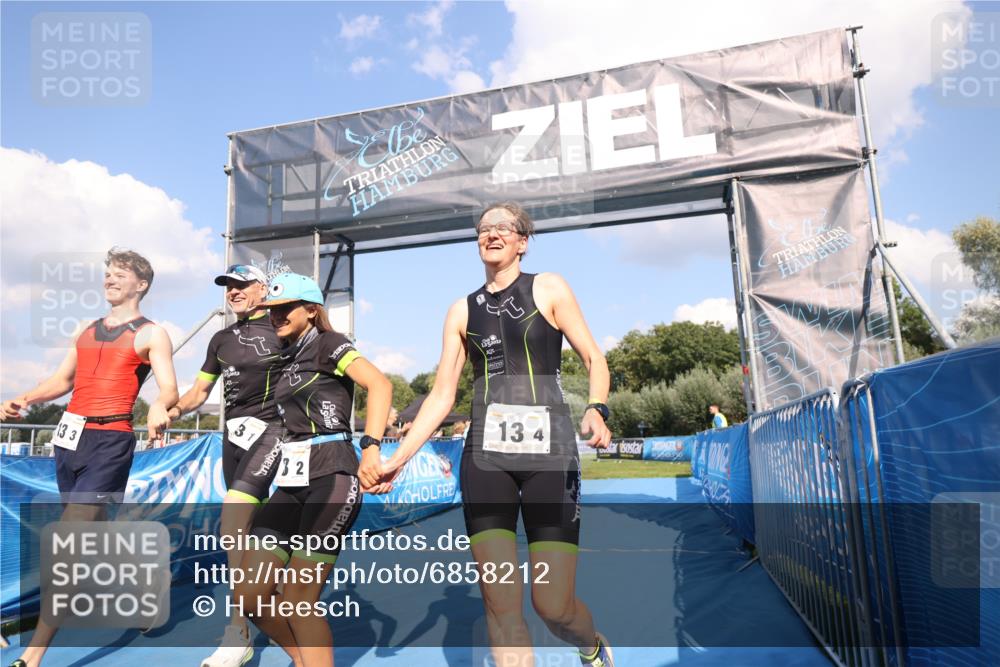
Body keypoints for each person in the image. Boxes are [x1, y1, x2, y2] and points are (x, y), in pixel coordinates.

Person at [374, 202, 616, 666]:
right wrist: (397, 458)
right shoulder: (461, 311)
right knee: (501, 606)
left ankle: (591, 645)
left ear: (523, 241)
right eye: (484, 228)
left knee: (553, 606)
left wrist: (596, 409)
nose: (492, 233)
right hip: (485, 462)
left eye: (504, 227)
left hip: (550, 458)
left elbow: (595, 359)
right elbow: (441, 397)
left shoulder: (548, 286)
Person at [0, 247, 177, 667]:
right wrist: (22, 398)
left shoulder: (152, 333)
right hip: (68, 440)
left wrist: (158, 405)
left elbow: (168, 388)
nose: (110, 280)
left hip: (110, 441)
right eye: (108, 274)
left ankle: (33, 655)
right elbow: (62, 381)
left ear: (142, 284)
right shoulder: (86, 328)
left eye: (120, 274)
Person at [233, 272, 391, 667]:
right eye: (271, 309)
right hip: (292, 480)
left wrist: (370, 449)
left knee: (299, 600)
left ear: (310, 309)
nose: (277, 315)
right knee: (250, 595)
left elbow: (380, 385)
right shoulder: (283, 357)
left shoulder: (330, 344)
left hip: (333, 476)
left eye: (286, 308)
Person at [166, 264, 284, 667]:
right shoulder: (220, 338)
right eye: (228, 286)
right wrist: (174, 409)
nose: (233, 292)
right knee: (248, 533)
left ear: (261, 289)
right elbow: (200, 389)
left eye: (241, 285)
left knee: (233, 519)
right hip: (234, 439)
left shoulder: (280, 325)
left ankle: (237, 631)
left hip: (275, 431)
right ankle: (271, 609)